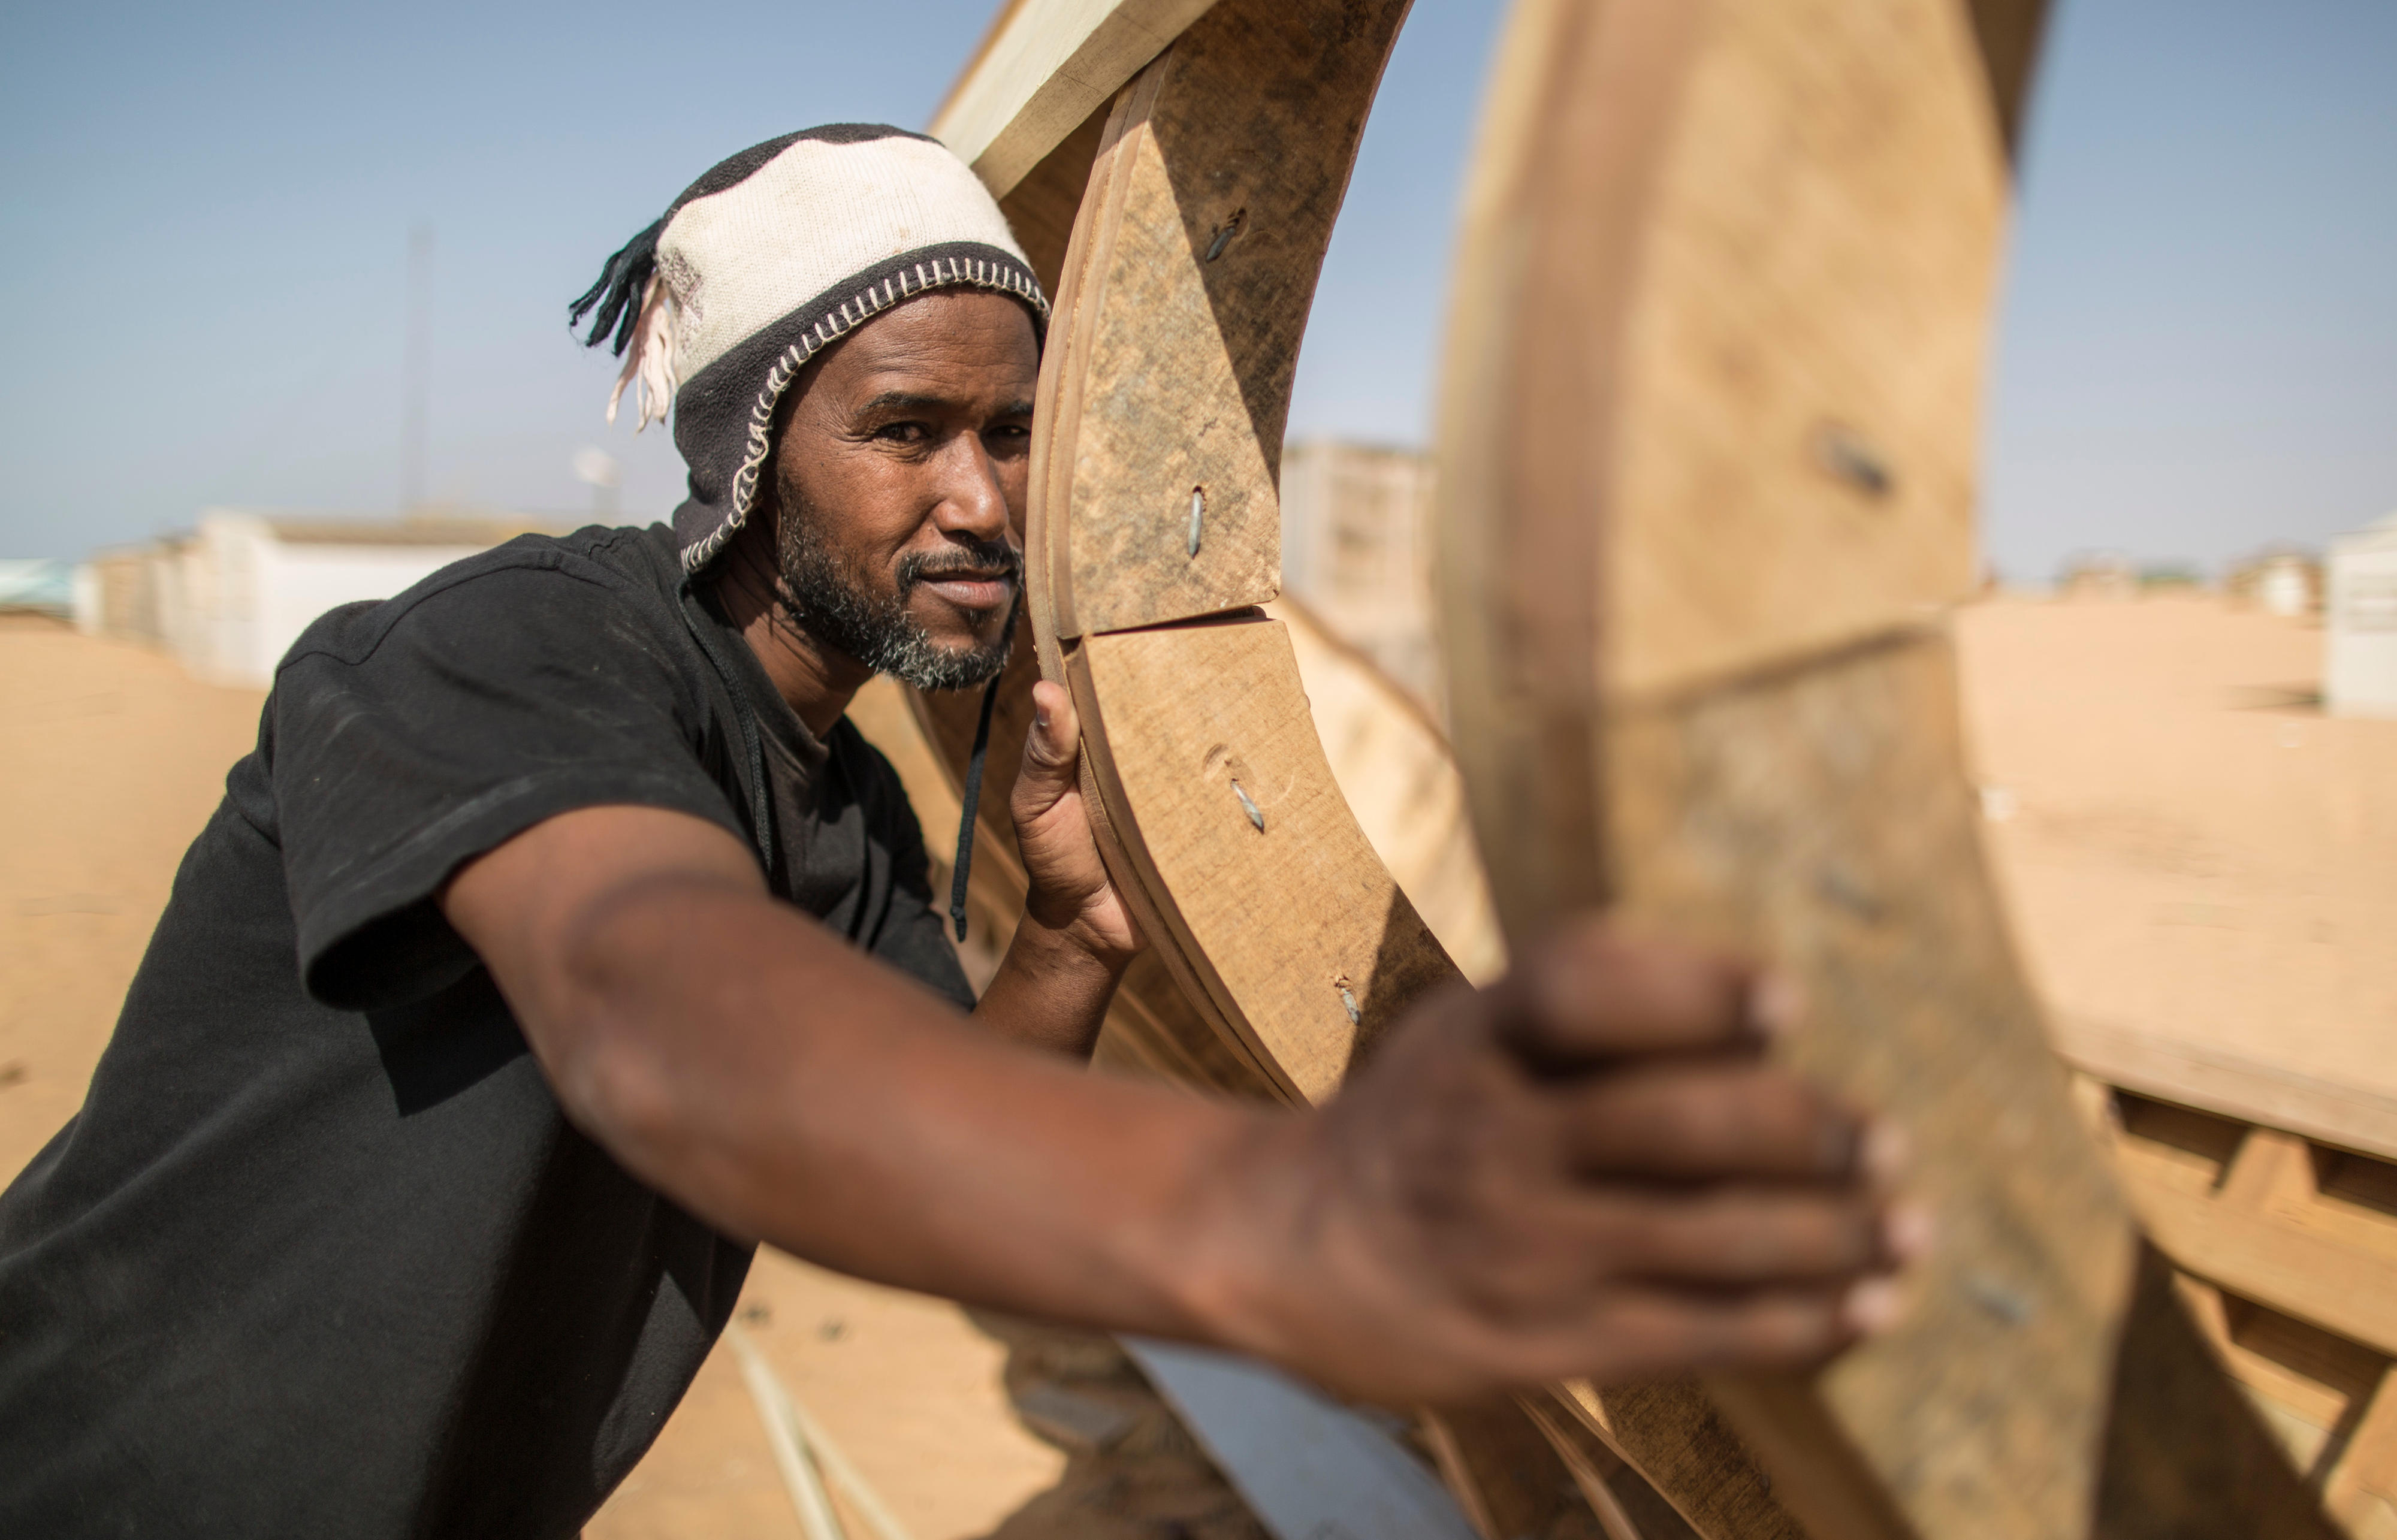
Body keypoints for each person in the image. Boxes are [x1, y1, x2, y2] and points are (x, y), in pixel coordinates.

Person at [0, 126, 1918, 1537]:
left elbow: (929, 1145)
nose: (987, 497)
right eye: (910, 430)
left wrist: (1072, 933)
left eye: (1016, 434)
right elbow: (659, 1016)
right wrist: (1292, 1218)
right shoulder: (515, 653)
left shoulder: (838, 811)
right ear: (747, 455)